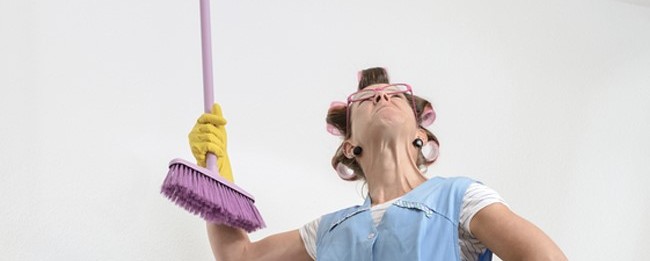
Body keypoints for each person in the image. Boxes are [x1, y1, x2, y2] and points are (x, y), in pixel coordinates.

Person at [188, 67, 568, 261]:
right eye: (367, 97)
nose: (382, 97)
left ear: (420, 133)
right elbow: (239, 256)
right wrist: (216, 168)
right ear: (350, 144)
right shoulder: (328, 231)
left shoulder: (461, 199)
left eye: (394, 95)